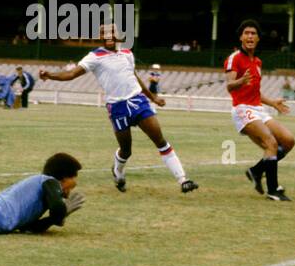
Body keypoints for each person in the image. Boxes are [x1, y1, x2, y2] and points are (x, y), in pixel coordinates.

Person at [39, 23, 198, 194]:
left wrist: (153, 98)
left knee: (160, 140)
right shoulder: (95, 56)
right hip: (117, 108)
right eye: (104, 33)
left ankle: (183, 180)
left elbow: (134, 77)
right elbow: (71, 74)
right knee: (126, 150)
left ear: (118, 35)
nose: (108, 35)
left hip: (138, 102)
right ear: (100, 37)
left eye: (112, 32)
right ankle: (118, 172)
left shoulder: (127, 54)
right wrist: (49, 75)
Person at [225, 19, 295, 202]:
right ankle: (273, 190)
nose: (250, 36)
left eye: (253, 33)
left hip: (258, 108)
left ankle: (256, 171)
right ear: (241, 37)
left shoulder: (257, 62)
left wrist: (272, 103)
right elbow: (229, 86)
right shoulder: (235, 58)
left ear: (258, 39)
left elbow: (255, 91)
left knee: (288, 140)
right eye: (246, 33)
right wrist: (240, 81)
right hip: (242, 109)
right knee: (271, 143)